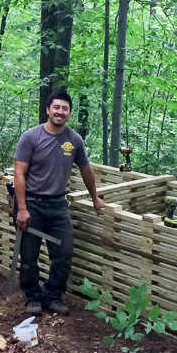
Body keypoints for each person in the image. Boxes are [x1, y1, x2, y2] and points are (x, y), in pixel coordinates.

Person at [13, 90, 105, 316]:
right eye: (56, 107)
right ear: (47, 109)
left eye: (65, 109)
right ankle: (33, 298)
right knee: (29, 254)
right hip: (32, 203)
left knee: (63, 252)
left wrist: (95, 198)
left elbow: (86, 170)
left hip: (58, 204)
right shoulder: (31, 137)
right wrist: (22, 208)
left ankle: (53, 296)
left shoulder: (74, 141)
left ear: (70, 113)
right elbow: (19, 173)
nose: (60, 112)